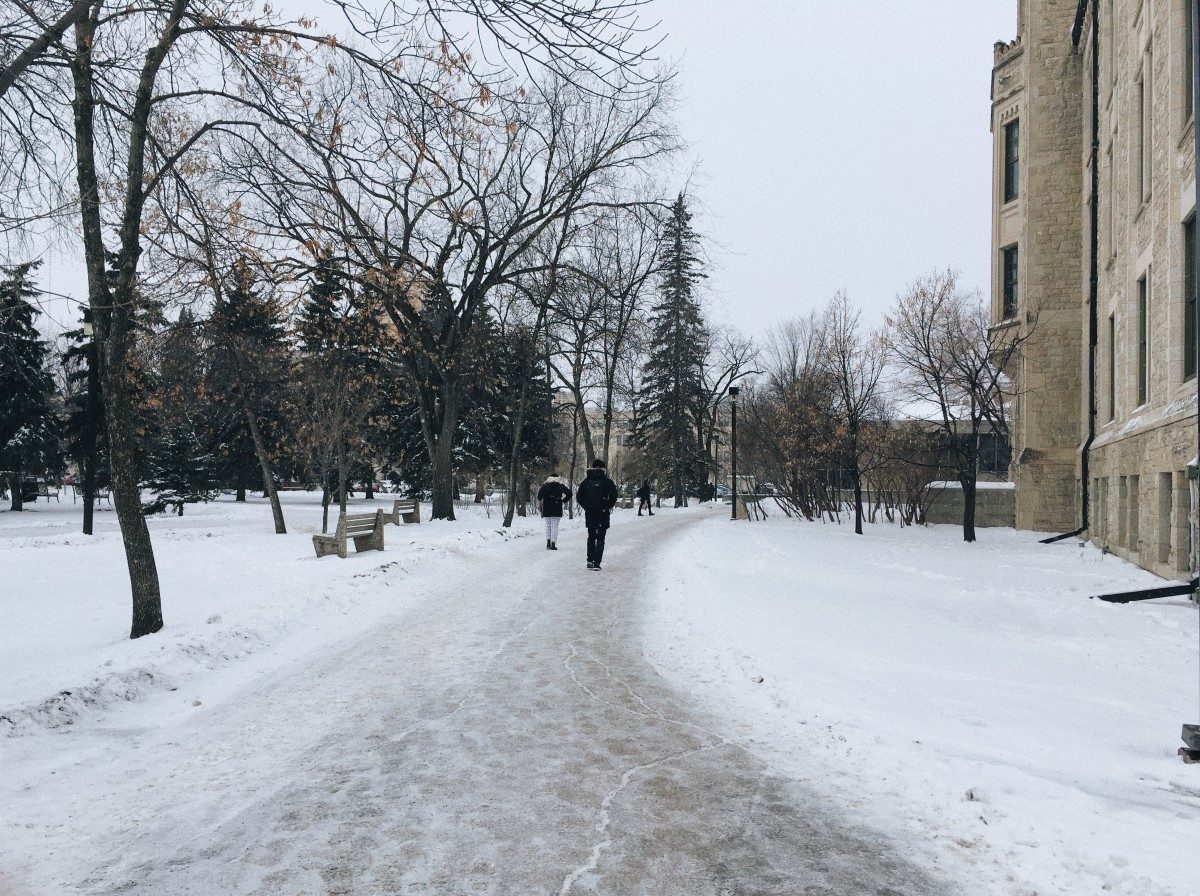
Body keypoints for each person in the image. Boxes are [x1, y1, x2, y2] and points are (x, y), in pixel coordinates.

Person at [576, 459, 618, 571]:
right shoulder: (607, 481)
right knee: (600, 538)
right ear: (603, 468)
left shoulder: (586, 481)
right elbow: (614, 496)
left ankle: (589, 559)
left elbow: (579, 497)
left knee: (591, 536)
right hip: (602, 513)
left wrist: (586, 506)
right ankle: (596, 563)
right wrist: (606, 505)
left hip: (590, 512)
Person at [536, 473, 572, 551]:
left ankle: (548, 543)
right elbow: (569, 494)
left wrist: (546, 498)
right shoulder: (560, 486)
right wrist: (563, 500)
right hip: (557, 508)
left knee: (548, 527)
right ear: (557, 478)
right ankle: (553, 544)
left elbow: (539, 497)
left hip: (547, 509)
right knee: (554, 527)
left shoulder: (545, 486)